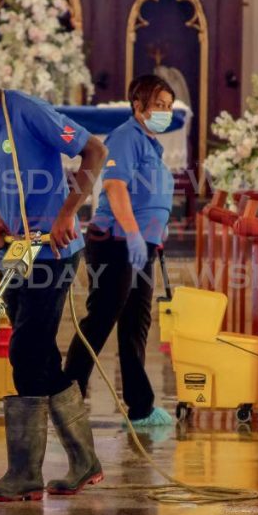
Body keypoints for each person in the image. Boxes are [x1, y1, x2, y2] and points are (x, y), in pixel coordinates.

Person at [0, 46, 108, 501]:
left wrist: (69, 212)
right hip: (15, 253)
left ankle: (24, 473)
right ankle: (85, 460)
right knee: (41, 357)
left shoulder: (27, 111)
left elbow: (95, 148)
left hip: (53, 252)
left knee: (25, 351)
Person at [65, 74, 176, 428]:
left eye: (169, 106)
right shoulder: (128, 136)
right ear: (138, 106)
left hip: (140, 245)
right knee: (101, 320)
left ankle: (140, 407)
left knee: (135, 324)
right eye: (159, 105)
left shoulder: (150, 143)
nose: (165, 112)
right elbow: (114, 187)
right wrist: (131, 234)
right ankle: (67, 395)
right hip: (115, 242)